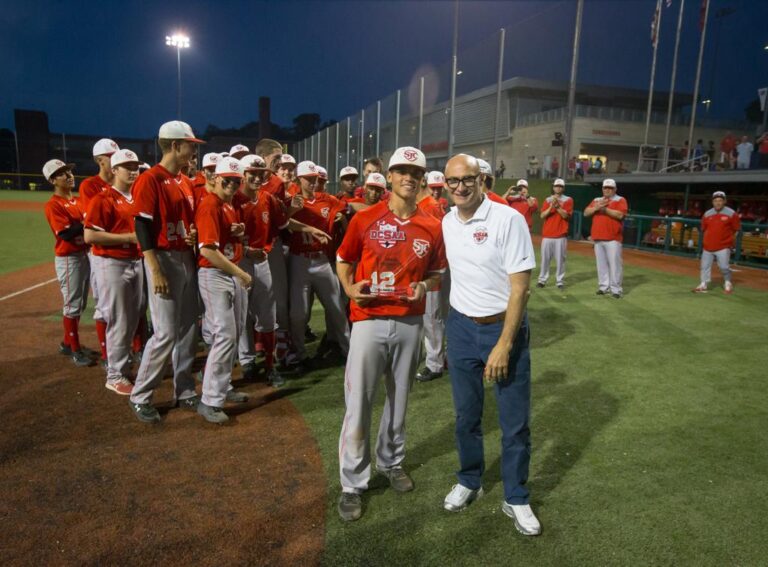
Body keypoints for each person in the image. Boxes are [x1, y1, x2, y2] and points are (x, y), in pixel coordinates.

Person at [336, 146, 446, 522]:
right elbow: (343, 260)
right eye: (401, 170)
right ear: (391, 176)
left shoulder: (432, 225)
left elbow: (436, 273)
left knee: (399, 400)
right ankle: (352, 482)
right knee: (360, 402)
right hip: (368, 318)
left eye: (415, 172)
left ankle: (392, 462)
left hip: (410, 321)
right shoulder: (365, 218)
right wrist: (350, 290)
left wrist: (424, 287)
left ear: (421, 179)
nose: (408, 178)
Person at [440, 153, 539, 536]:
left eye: (468, 179)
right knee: (467, 416)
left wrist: (504, 344)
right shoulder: (448, 222)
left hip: (503, 328)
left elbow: (521, 289)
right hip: (461, 328)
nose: (461, 187)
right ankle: (469, 480)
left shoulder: (508, 219)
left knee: (513, 422)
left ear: (482, 180)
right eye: (453, 181)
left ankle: (516, 497)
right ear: (445, 185)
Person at [128, 120, 203, 424]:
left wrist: (192, 237)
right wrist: (154, 268)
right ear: (175, 145)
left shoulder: (183, 180)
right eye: (190, 145)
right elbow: (141, 225)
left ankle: (183, 388)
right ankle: (141, 394)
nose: (192, 150)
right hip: (164, 259)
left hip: (184, 256)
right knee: (165, 333)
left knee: (187, 330)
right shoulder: (151, 179)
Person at [194, 157, 254, 424]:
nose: (231, 184)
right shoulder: (209, 204)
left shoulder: (228, 205)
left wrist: (237, 234)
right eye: (227, 180)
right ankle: (209, 400)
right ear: (216, 178)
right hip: (215, 274)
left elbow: (223, 239)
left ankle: (222, 386)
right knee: (225, 335)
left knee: (235, 332)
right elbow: (207, 250)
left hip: (230, 273)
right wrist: (240, 272)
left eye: (236, 181)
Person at [83, 149, 144, 395]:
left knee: (134, 316)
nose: (132, 171)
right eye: (126, 167)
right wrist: (127, 238)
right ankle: (115, 374)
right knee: (119, 318)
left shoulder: (137, 197)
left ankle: (123, 365)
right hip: (112, 262)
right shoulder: (103, 198)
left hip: (135, 262)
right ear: (114, 170)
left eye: (135, 166)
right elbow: (90, 235)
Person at [286, 161, 350, 371]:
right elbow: (281, 222)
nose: (313, 182)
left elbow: (346, 206)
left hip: (322, 260)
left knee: (337, 308)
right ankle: (298, 355)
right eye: (308, 179)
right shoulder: (291, 200)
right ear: (299, 179)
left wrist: (342, 215)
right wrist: (290, 210)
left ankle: (349, 351)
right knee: (298, 313)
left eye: (316, 179)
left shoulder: (327, 200)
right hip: (299, 260)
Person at [43, 159, 94, 367]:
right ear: (53, 180)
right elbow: (65, 233)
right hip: (68, 259)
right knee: (72, 305)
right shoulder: (53, 205)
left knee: (80, 303)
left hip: (84, 255)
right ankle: (74, 349)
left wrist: (82, 224)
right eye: (62, 173)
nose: (69, 175)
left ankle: (67, 342)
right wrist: (85, 224)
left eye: (69, 171)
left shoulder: (79, 201)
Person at [80, 138, 120, 366]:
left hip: (123, 254)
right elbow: (93, 222)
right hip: (100, 253)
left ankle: (130, 349)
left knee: (130, 307)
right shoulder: (90, 186)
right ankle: (107, 355)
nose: (114, 160)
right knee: (105, 306)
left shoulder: (121, 182)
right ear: (99, 161)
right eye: (110, 157)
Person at [415, 170, 449, 382]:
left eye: (439, 189)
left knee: (432, 318)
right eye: (433, 188)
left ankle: (435, 364)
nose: (436, 193)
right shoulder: (425, 204)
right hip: (428, 268)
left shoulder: (432, 206)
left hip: (434, 269)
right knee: (431, 318)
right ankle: (439, 357)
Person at [584, 178, 628, 298]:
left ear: (615, 189)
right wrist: (596, 208)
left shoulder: (620, 199)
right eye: (605, 188)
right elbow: (586, 212)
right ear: (602, 188)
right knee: (601, 265)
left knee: (615, 265)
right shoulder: (597, 200)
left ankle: (616, 289)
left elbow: (620, 215)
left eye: (610, 188)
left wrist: (604, 209)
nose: (607, 190)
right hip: (598, 238)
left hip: (613, 238)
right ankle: (603, 287)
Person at [692, 191, 741, 294]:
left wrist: (730, 242)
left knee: (724, 266)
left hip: (723, 246)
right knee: (704, 266)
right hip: (708, 246)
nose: (718, 203)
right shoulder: (707, 214)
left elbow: (736, 229)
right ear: (712, 202)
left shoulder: (732, 214)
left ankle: (727, 282)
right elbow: (703, 228)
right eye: (715, 201)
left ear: (724, 201)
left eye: (720, 201)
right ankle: (703, 284)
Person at [536, 178, 573, 290]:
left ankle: (560, 281)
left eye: (560, 186)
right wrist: (551, 206)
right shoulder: (548, 200)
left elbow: (565, 216)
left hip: (560, 235)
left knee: (561, 260)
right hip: (547, 234)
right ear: (553, 187)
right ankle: (542, 280)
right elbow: (542, 215)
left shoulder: (568, 200)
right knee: (545, 259)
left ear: (563, 188)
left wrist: (557, 206)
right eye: (557, 186)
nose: (558, 188)